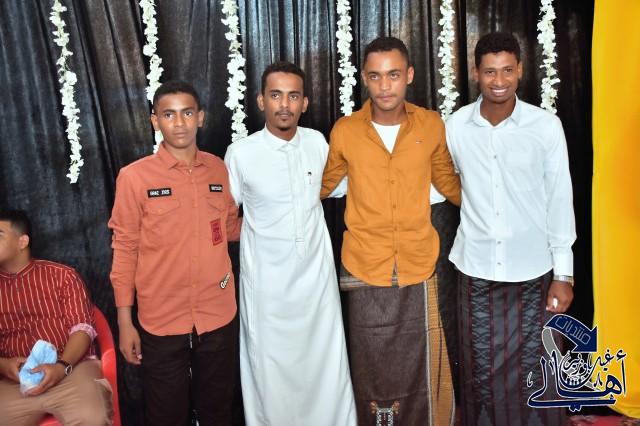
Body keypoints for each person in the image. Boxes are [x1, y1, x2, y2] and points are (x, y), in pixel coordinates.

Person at [321, 36, 460, 425]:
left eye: (394, 75)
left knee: (423, 361)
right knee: (371, 362)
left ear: (409, 75)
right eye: (376, 76)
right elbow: (321, 186)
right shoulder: (346, 131)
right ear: (364, 78)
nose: (385, 86)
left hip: (418, 263)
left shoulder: (430, 125)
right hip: (364, 264)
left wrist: (499, 211)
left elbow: (449, 183)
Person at [445, 32, 576, 425]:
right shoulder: (455, 127)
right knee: (480, 374)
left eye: (506, 70)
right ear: (475, 73)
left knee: (536, 371)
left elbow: (559, 200)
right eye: (489, 71)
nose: (498, 80)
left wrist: (563, 275)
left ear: (520, 70)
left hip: (533, 272)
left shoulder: (545, 126)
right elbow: (443, 184)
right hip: (476, 271)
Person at [224, 61, 356, 426]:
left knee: (325, 364)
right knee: (270, 372)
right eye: (276, 95)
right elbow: (223, 217)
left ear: (305, 103)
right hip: (267, 287)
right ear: (260, 101)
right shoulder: (241, 153)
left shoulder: (317, 143)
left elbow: (344, 188)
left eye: (293, 96)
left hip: (316, 281)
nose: (284, 105)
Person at [108, 81, 242, 425]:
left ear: (201, 117)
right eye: (169, 115)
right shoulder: (134, 178)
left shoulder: (218, 169)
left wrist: (279, 218)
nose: (179, 123)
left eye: (187, 113)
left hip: (218, 312)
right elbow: (125, 249)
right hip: (161, 318)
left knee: (217, 411)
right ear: (155, 121)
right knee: (166, 414)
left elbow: (231, 228)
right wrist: (124, 321)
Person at [0, 209, 113, 425]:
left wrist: (61, 367)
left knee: (92, 418)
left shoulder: (62, 276)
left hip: (71, 370)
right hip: (14, 381)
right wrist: (4, 366)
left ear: (22, 241)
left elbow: (82, 329)